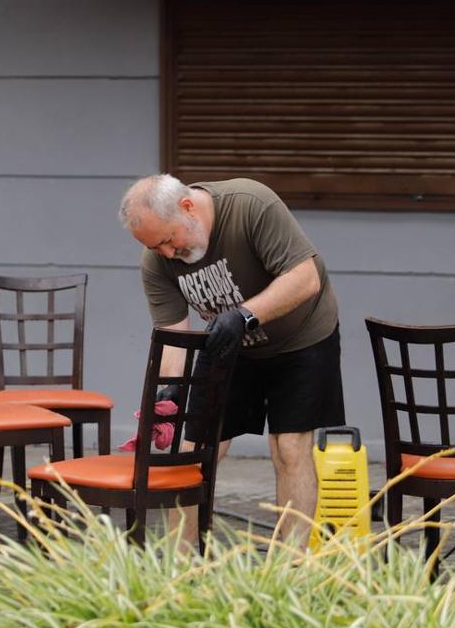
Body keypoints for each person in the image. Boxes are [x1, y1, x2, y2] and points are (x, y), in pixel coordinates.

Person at [118, 173, 344, 546]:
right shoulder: (157, 260)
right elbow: (175, 336)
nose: (167, 255)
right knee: (188, 454)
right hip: (228, 342)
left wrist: (245, 315)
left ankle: (291, 570)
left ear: (187, 207)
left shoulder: (250, 204)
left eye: (168, 241)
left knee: (289, 448)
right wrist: (169, 393)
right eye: (155, 247)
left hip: (301, 338)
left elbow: (305, 279)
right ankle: (182, 568)